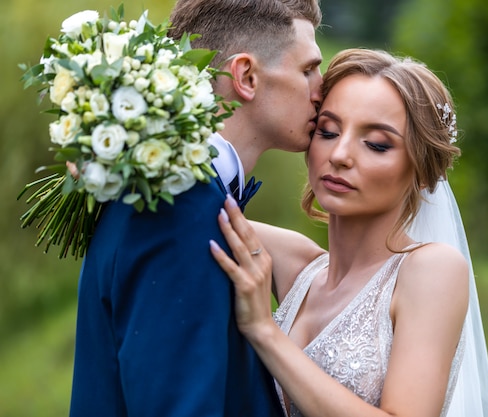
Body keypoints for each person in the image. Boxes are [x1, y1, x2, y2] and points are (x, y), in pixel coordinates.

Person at [211, 48, 488, 416]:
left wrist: (264, 332)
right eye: (327, 131)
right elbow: (192, 211)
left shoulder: (431, 270)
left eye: (377, 144)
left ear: (423, 170)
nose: (341, 154)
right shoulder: (294, 263)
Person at [69, 1, 322, 416]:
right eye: (308, 69)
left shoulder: (167, 191)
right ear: (246, 76)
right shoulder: (178, 210)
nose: (321, 88)